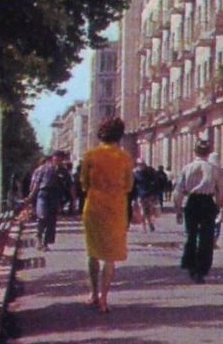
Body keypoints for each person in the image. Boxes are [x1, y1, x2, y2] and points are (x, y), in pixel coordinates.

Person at [81, 117, 134, 313]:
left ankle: (93, 294)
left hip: (94, 206)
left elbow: (83, 183)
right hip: (116, 207)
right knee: (109, 256)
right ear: (119, 136)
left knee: (93, 251)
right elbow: (129, 185)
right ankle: (104, 299)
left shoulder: (91, 155)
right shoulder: (125, 157)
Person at [173, 139, 223, 283]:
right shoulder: (214, 169)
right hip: (207, 202)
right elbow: (222, 189)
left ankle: (191, 265)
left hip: (192, 202)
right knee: (206, 236)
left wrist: (178, 209)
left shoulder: (187, 168)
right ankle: (202, 269)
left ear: (195, 152)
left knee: (190, 235)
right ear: (209, 153)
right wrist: (220, 204)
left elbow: (178, 191)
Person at [27, 150, 72, 251]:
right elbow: (37, 184)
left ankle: (45, 243)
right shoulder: (44, 169)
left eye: (61, 159)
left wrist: (71, 201)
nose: (58, 160)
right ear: (53, 158)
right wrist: (31, 196)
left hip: (56, 197)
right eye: (56, 158)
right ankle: (38, 236)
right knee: (43, 216)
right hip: (43, 195)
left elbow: (70, 186)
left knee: (51, 221)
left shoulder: (64, 172)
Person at [207, 152, 223, 248]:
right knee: (217, 220)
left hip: (207, 198)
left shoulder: (205, 170)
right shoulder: (222, 171)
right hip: (219, 199)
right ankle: (214, 239)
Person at [132, 158, 160, 232]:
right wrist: (134, 197)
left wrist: (155, 194)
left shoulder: (150, 172)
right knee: (143, 211)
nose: (141, 166)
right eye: (139, 164)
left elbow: (155, 182)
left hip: (149, 195)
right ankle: (144, 226)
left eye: (142, 164)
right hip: (140, 195)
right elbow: (133, 186)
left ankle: (150, 223)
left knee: (150, 211)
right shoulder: (135, 173)